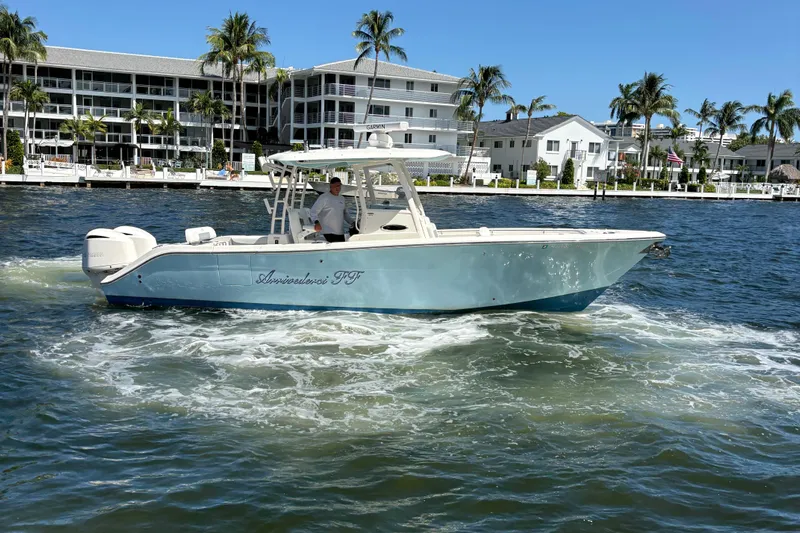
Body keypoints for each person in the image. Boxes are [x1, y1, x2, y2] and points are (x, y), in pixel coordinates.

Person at [310, 177, 354, 242]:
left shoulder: (342, 198)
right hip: (327, 233)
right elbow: (313, 211)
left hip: (340, 233)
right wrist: (316, 222)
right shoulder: (324, 197)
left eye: (339, 186)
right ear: (331, 186)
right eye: (336, 186)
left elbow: (345, 213)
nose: (338, 188)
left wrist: (352, 222)